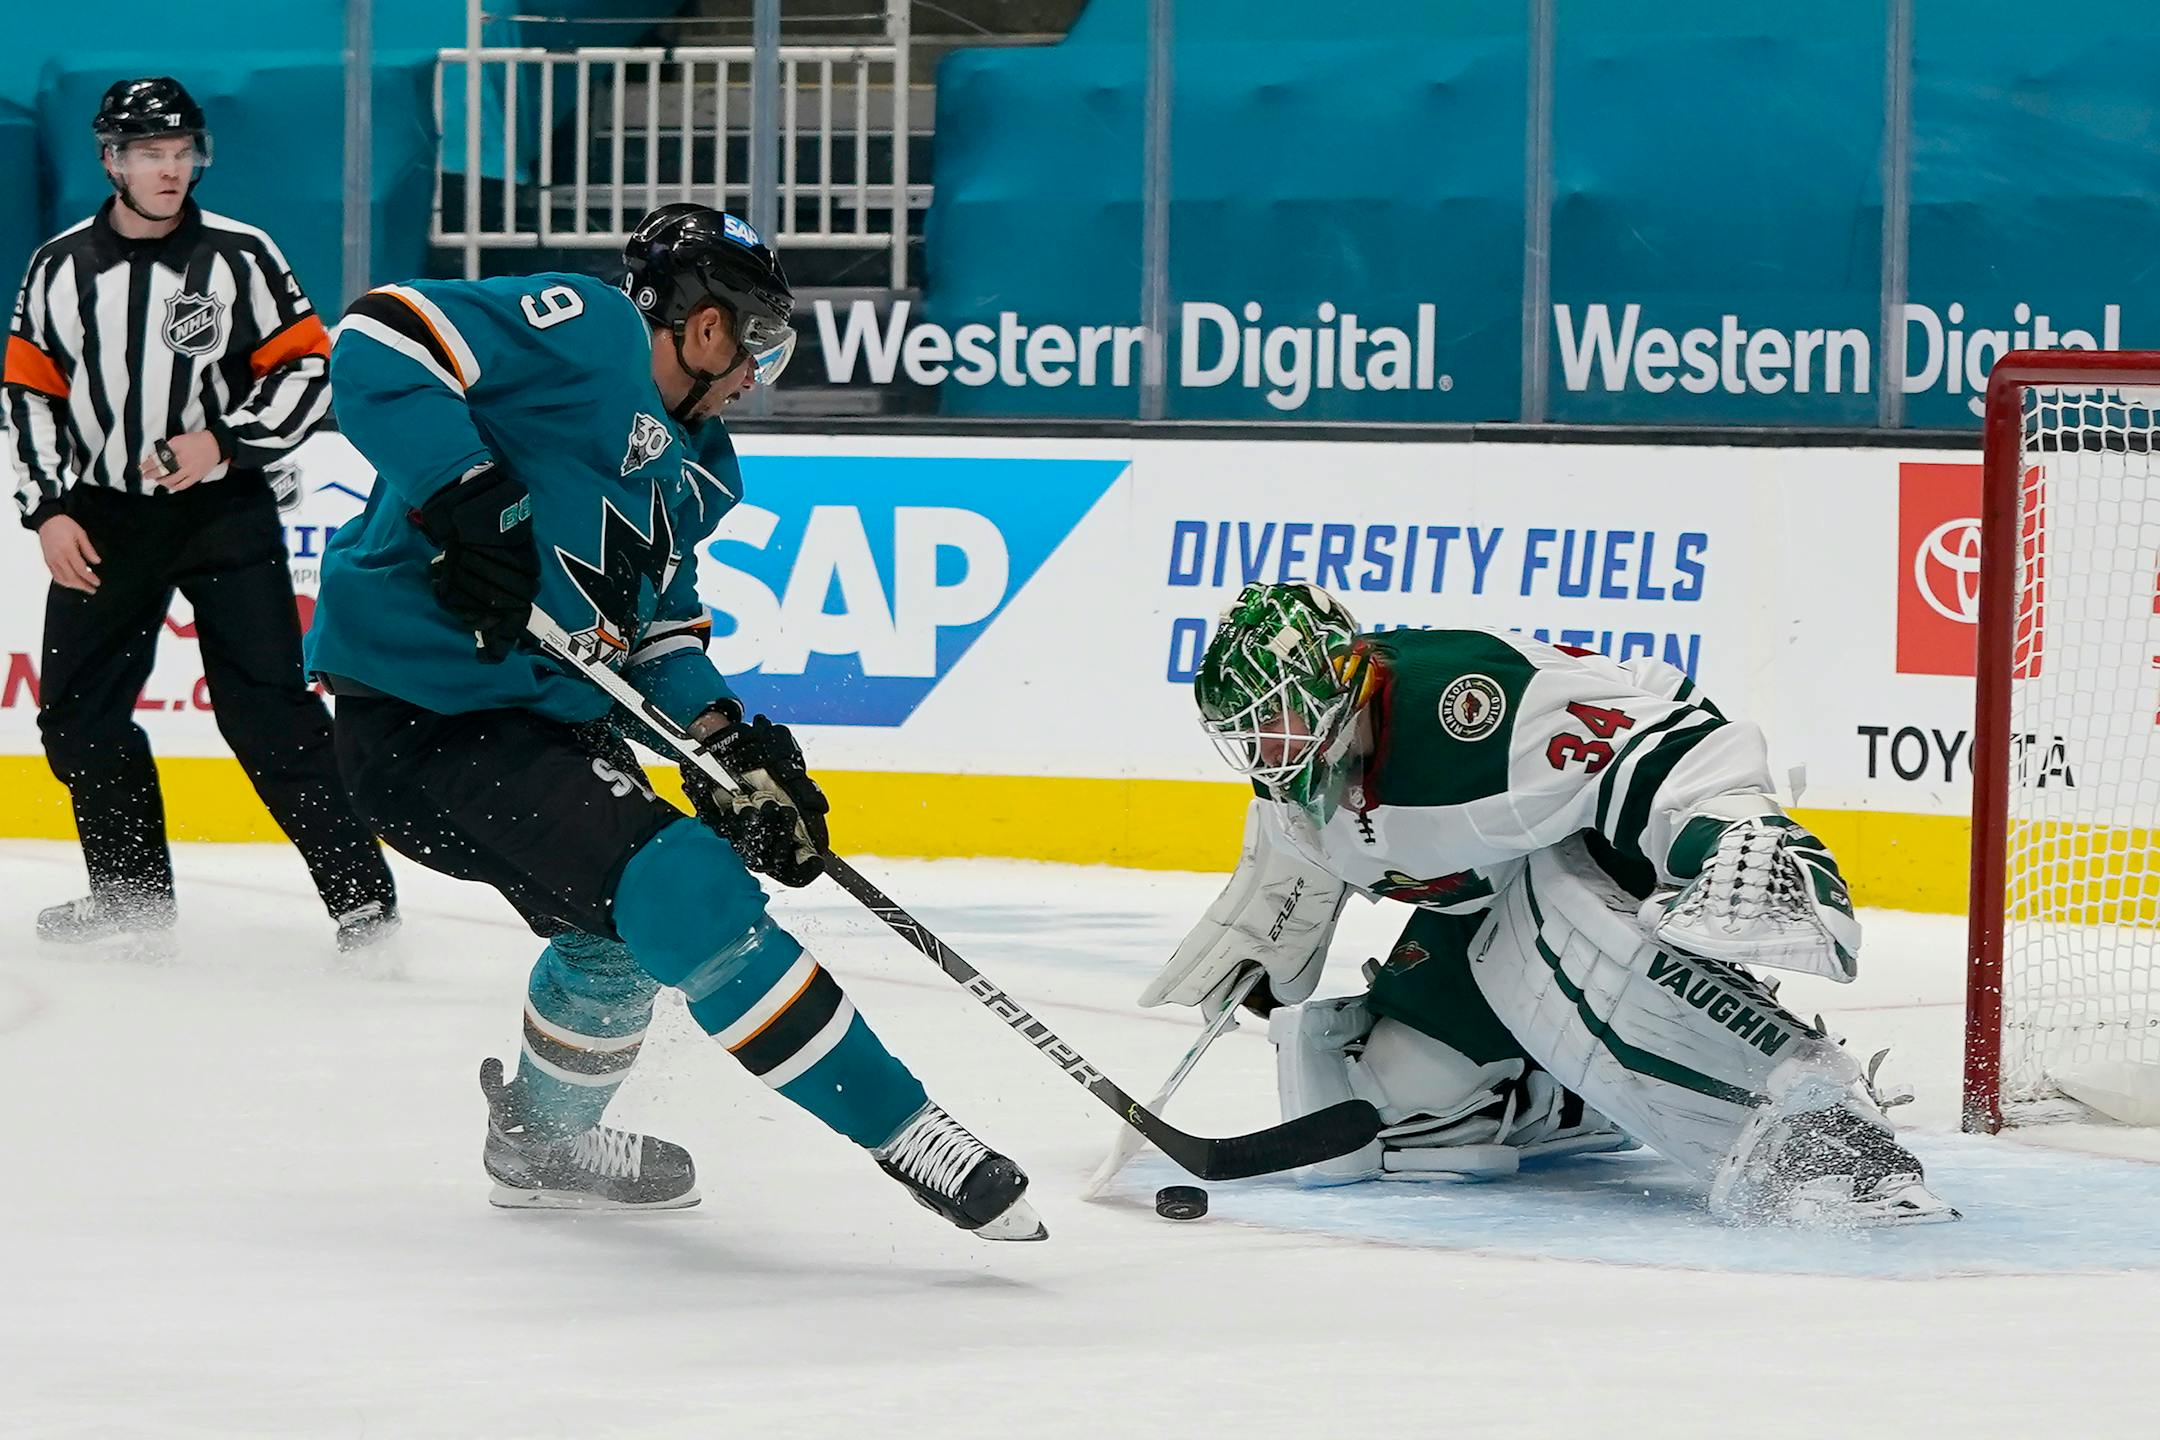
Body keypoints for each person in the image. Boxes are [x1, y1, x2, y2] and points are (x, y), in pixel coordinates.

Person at [306, 203, 1044, 1239]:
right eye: (759, 344)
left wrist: (732, 746)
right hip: (427, 715)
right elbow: (382, 335)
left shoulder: (702, 470)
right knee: (683, 885)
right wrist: (464, 489)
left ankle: (544, 1143)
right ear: (706, 327)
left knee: (616, 939)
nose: (755, 374)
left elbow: (655, 638)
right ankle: (913, 1135)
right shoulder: (589, 330)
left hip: (538, 725)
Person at [1141, 581, 1957, 1226]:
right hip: (1489, 901)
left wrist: (1727, 833)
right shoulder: (1294, 779)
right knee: (1383, 1105)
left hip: (1610, 858)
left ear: (1341, 679)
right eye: (1251, 732)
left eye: (1280, 718)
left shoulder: (1467, 706)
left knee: (1555, 923)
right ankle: (1571, 1097)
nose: (1268, 748)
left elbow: (1664, 739)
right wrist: (1274, 942)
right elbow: (1318, 845)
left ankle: (1824, 1127)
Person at [3, 76, 397, 954]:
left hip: (223, 515)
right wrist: (47, 511)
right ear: (112, 161)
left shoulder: (240, 255)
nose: (171, 170)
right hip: (104, 520)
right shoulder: (60, 265)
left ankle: (362, 905)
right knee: (78, 717)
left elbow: (306, 366)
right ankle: (132, 902)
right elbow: (29, 394)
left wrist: (222, 442)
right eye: (151, 154)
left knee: (271, 716)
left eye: (182, 153)